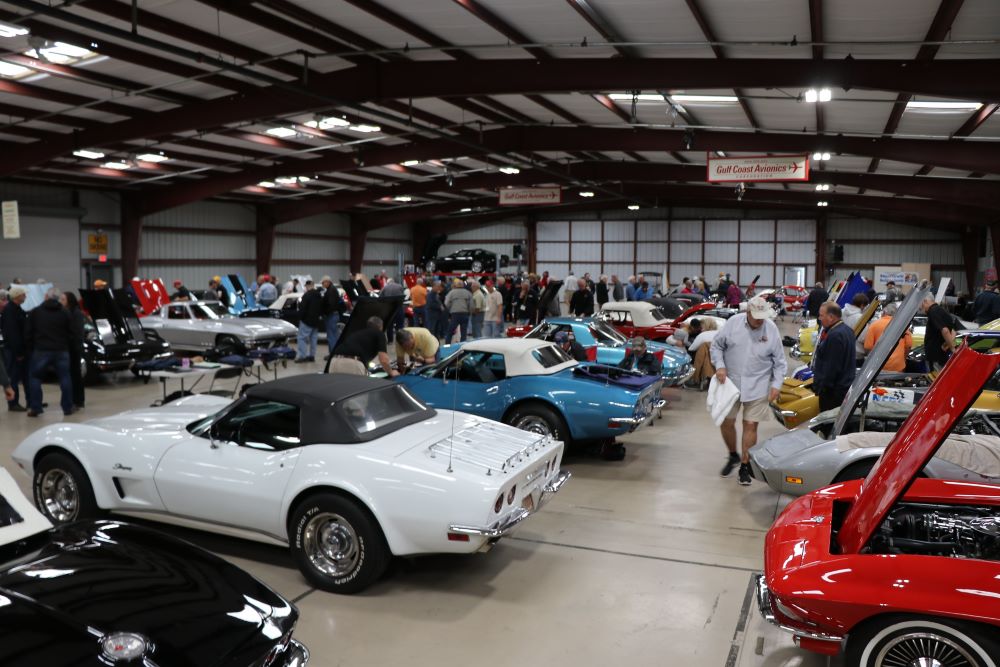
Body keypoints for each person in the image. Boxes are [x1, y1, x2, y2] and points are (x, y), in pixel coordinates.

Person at [710, 296, 787, 486]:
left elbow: (779, 361)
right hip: (731, 383)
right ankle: (732, 455)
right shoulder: (733, 324)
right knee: (726, 422)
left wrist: (776, 384)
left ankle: (745, 465)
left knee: (751, 425)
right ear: (747, 312)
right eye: (757, 316)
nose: (760, 320)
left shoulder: (771, 329)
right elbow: (717, 346)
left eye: (763, 316)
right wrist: (719, 365)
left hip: (758, 384)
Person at [25, 288, 75, 417]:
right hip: (61, 350)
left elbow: (28, 332)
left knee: (35, 377)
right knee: (65, 377)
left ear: (46, 296)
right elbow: (72, 333)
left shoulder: (35, 312)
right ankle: (67, 407)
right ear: (58, 298)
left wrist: (31, 348)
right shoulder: (65, 312)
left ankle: (35, 408)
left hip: (41, 350)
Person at [812, 302, 857, 413]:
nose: (819, 318)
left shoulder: (834, 336)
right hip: (845, 387)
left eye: (821, 315)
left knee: (827, 424)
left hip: (833, 393)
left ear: (831, 317)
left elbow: (831, 367)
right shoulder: (848, 330)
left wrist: (822, 387)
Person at [327, 316, 399, 377]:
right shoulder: (379, 334)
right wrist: (391, 372)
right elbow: (383, 360)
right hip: (353, 364)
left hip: (334, 361)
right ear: (381, 326)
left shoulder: (356, 333)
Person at [1, 286, 28, 412]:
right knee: (13, 376)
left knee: (19, 376)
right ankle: (13, 403)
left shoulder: (16, 309)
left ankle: (26, 401)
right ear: (17, 296)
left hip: (16, 349)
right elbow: (13, 334)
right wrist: (19, 352)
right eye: (23, 295)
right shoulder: (10, 311)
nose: (25, 297)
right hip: (13, 351)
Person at [863, 302, 912, 372]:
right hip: (897, 365)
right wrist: (903, 359)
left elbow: (868, 347)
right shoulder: (902, 325)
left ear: (883, 312)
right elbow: (908, 345)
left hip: (878, 366)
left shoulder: (874, 325)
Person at [60, 292, 86, 410]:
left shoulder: (76, 313)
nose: (61, 301)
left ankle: (78, 400)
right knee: (70, 375)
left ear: (69, 300)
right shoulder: (65, 313)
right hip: (67, 348)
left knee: (75, 375)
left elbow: (77, 332)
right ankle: (73, 399)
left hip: (74, 348)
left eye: (63, 299)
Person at [921, 295, 957, 371]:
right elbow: (953, 332)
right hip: (940, 355)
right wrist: (948, 343)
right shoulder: (942, 311)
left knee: (935, 379)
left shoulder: (933, 311)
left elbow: (945, 330)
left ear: (925, 301)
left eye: (922, 305)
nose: (921, 307)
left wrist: (952, 348)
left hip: (935, 357)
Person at [321, 276, 346, 354]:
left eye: (323, 282)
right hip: (334, 315)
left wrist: (325, 313)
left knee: (331, 336)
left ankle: (332, 353)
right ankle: (334, 353)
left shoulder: (331, 291)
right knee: (334, 335)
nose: (322, 284)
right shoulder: (331, 289)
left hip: (331, 316)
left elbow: (331, 305)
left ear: (327, 282)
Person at [380, 278, 406, 343]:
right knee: (400, 325)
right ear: (393, 282)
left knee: (389, 325)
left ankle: (390, 340)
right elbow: (402, 295)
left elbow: (380, 298)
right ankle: (400, 340)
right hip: (399, 308)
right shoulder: (400, 286)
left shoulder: (385, 288)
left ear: (388, 282)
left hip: (389, 309)